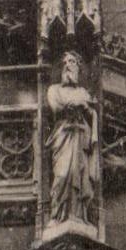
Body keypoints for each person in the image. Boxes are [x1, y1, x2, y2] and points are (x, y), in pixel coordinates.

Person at [46, 51, 99, 228]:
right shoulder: (54, 89)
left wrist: (86, 108)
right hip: (63, 135)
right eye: (65, 63)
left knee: (80, 175)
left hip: (80, 137)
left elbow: (91, 114)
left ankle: (79, 215)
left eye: (72, 62)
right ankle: (57, 215)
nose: (68, 65)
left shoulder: (83, 92)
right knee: (61, 175)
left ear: (78, 68)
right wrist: (74, 105)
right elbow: (55, 107)